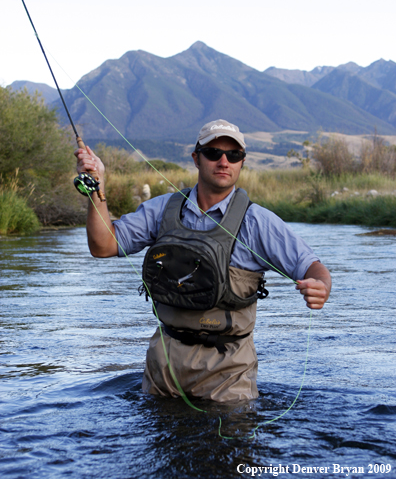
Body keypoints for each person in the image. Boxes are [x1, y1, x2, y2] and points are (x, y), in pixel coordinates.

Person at [75, 119, 331, 403]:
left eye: (233, 155)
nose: (224, 161)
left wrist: (320, 285)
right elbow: (103, 246)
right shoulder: (162, 209)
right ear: (196, 158)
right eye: (213, 153)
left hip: (228, 371)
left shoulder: (258, 222)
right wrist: (95, 188)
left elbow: (312, 267)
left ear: (242, 162)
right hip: (164, 364)